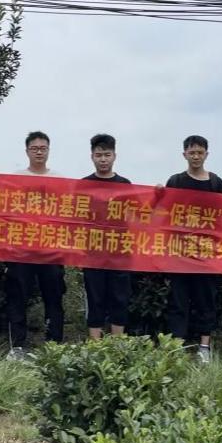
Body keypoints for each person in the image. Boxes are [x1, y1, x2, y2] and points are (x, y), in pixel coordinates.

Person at [164, 135, 222, 364]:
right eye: (192, 152)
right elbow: (165, 213)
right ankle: (176, 346)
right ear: (184, 154)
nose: (196, 156)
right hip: (180, 254)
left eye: (200, 152)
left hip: (207, 254)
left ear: (206, 154)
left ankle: (204, 346)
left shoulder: (216, 183)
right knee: (178, 301)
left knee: (206, 301)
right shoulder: (175, 181)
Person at [5, 131, 66, 360]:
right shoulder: (16, 178)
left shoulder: (59, 179)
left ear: (48, 150)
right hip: (22, 249)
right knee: (17, 297)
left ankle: (54, 344)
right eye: (34, 148)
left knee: (54, 296)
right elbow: (5, 208)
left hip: (50, 249)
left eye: (43, 148)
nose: (39, 152)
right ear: (27, 151)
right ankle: (18, 345)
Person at [81, 134, 132, 339]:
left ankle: (117, 347)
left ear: (114, 156)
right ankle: (96, 348)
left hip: (119, 253)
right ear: (92, 157)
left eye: (107, 155)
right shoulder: (84, 184)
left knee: (120, 299)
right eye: (99, 155)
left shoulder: (125, 184)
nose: (103, 159)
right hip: (92, 253)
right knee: (95, 300)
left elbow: (137, 215)